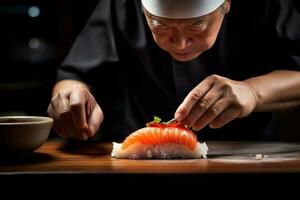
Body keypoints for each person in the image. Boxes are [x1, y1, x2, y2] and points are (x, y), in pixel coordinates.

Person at [47, 0, 300, 142]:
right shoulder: (121, 5)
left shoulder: (264, 4)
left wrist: (253, 92)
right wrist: (70, 97)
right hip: (138, 158)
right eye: (160, 25)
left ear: (227, 5)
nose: (179, 44)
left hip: (248, 153)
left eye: (197, 26)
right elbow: (74, 76)